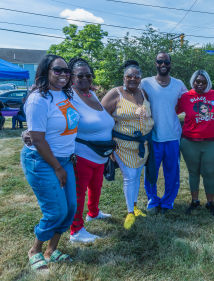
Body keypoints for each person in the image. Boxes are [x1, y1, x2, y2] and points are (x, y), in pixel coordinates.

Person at [21, 54, 78, 270]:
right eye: (58, 70)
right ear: (46, 71)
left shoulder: (66, 95)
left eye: (66, 71)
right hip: (42, 161)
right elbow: (37, 139)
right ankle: (35, 251)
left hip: (65, 160)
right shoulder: (38, 99)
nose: (64, 74)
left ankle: (51, 250)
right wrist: (57, 167)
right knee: (55, 211)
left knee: (70, 208)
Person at [101, 60, 155, 229]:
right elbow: (102, 118)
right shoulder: (114, 93)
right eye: (129, 76)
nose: (133, 78)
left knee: (137, 176)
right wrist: (108, 144)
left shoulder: (143, 93)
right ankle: (130, 212)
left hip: (141, 145)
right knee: (129, 177)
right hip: (122, 145)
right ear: (123, 77)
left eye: (136, 76)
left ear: (140, 78)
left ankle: (135, 207)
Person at [67, 58, 115, 242]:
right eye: (80, 75)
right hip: (82, 154)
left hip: (100, 155)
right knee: (79, 192)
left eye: (88, 75)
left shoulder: (91, 94)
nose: (85, 78)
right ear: (72, 77)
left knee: (96, 186)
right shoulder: (68, 95)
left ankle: (93, 213)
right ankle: (76, 230)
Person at [140, 52, 187, 214]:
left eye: (166, 61)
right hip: (152, 136)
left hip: (173, 135)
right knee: (151, 171)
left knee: (172, 173)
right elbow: (131, 94)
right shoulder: (145, 83)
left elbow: (189, 101)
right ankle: (152, 200)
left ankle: (167, 201)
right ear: (155, 63)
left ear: (170, 64)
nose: (163, 64)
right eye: (160, 61)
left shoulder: (179, 84)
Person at [177, 70, 214, 216]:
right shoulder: (185, 97)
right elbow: (171, 112)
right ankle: (194, 201)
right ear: (192, 82)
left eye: (203, 81)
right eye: (197, 81)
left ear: (208, 82)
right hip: (189, 141)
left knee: (209, 173)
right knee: (193, 172)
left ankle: (210, 203)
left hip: (211, 142)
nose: (200, 84)